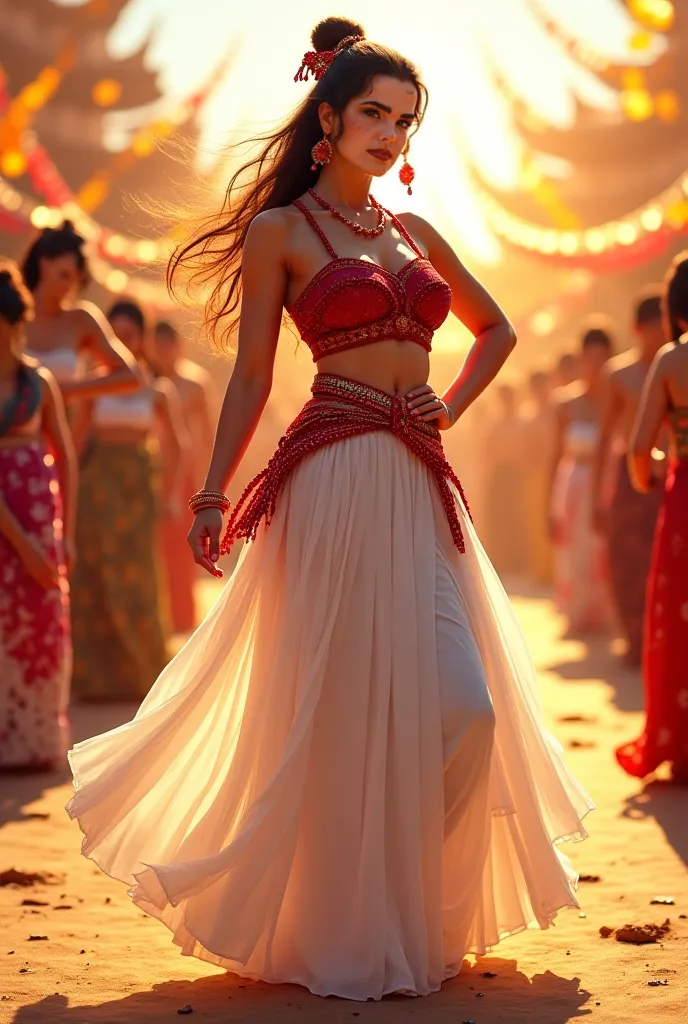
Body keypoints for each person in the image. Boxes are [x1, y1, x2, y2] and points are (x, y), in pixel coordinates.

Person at [66, 19, 592, 1000]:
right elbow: (254, 374)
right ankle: (342, 922)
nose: (391, 133)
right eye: (373, 114)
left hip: (419, 476)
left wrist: (452, 402)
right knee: (341, 713)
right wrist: (216, 489)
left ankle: (409, 898)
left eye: (405, 118)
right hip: (333, 480)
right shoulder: (282, 232)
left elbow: (499, 330)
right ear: (329, 116)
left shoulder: (415, 231)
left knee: (464, 712)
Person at [69, 300, 188, 702]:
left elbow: (177, 445)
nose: (121, 342)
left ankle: (140, 675)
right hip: (97, 488)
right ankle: (97, 680)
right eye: (114, 335)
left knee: (137, 577)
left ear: (143, 338)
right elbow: (76, 442)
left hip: (136, 487)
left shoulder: (156, 388)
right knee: (96, 576)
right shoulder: (94, 386)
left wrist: (173, 496)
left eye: (129, 335)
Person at [0, 260, 76, 768]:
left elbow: (65, 456)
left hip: (39, 511)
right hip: (7, 519)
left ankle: (37, 741)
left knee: (43, 620)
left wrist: (65, 535)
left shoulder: (39, 382)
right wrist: (21, 543)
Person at [616, 253, 688, 780]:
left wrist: (658, 470)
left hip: (683, 498)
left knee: (677, 614)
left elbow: (639, 451)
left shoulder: (670, 360)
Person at [591, 289, 665, 665]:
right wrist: (595, 496)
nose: (661, 333)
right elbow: (604, 437)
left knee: (664, 556)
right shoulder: (619, 375)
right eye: (653, 327)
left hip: (668, 472)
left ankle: (662, 640)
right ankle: (634, 640)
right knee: (626, 558)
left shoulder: (677, 366)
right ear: (638, 329)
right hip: (627, 475)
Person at [21, 221, 139, 405]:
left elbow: (130, 376)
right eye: (64, 275)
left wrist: (65, 390)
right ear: (43, 263)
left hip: (56, 430)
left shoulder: (80, 319)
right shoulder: (10, 312)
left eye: (76, 280)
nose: (69, 286)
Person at [150, 320, 217, 632]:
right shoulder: (148, 382)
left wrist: (208, 484)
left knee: (182, 548)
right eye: (158, 346)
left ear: (178, 346)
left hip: (187, 476)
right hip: (151, 471)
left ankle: (183, 620)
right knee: (155, 549)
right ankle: (157, 620)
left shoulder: (194, 384)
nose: (163, 353)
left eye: (168, 346)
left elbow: (206, 434)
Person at [549, 321, 614, 634]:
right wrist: (549, 505)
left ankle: (606, 614)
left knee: (602, 548)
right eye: (591, 359)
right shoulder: (566, 403)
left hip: (608, 480)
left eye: (603, 359)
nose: (596, 367)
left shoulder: (616, 400)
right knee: (575, 548)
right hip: (573, 484)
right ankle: (577, 611)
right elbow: (554, 455)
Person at [482, 382, 528, 576]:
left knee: (516, 515)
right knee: (499, 516)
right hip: (500, 474)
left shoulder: (522, 422)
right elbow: (488, 451)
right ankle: (500, 559)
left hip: (517, 473)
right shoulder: (495, 424)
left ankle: (517, 559)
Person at [522, 369, 555, 586]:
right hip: (535, 474)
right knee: (536, 519)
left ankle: (555, 568)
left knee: (556, 515)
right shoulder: (530, 415)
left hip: (556, 471)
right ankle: (541, 569)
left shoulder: (557, 410)